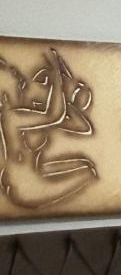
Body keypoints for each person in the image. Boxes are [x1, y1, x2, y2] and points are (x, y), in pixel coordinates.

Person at [0, 48, 97, 210]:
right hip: (24, 188)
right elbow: (54, 115)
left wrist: (67, 100)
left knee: (85, 164)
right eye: (16, 80)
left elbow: (80, 126)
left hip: (35, 173)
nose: (21, 84)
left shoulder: (26, 113)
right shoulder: (11, 116)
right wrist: (56, 77)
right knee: (88, 173)